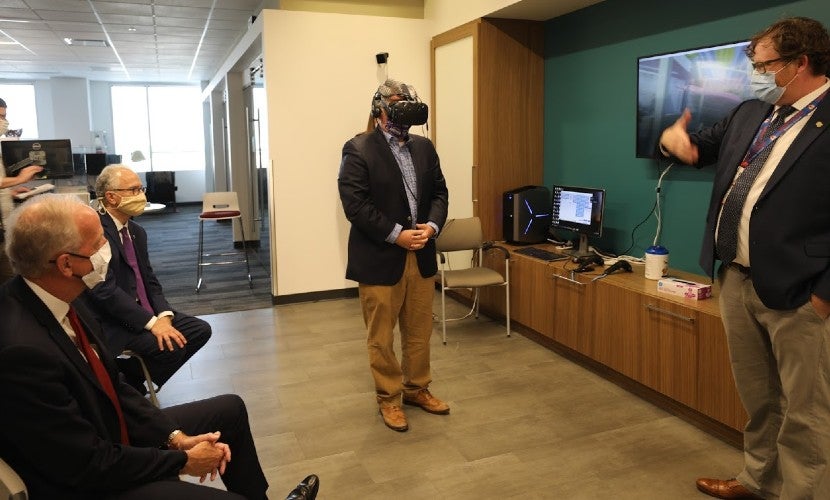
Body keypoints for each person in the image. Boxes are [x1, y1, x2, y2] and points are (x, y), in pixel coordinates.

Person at [0, 193, 319, 499]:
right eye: (98, 242)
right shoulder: (22, 350)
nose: (107, 248)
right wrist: (183, 461)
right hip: (90, 481)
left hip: (109, 434)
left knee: (229, 410)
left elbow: (114, 385)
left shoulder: (64, 296)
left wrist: (175, 438)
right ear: (66, 264)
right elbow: (87, 464)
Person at [658, 17, 830, 500]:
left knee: (807, 413)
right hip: (736, 279)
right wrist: (678, 145)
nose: (754, 73)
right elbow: (701, 147)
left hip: (800, 291)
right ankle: (758, 481)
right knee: (759, 400)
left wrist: (823, 296)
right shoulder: (752, 113)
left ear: (800, 63)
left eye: (763, 65)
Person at [338, 79, 450, 432]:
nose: (404, 112)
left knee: (419, 331)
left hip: (422, 253)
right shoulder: (358, 148)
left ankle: (417, 388)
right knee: (381, 337)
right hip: (380, 257)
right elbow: (356, 205)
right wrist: (396, 234)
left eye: (409, 104)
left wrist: (431, 226)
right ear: (380, 109)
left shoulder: (425, 147)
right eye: (398, 104)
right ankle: (389, 399)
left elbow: (440, 193)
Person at [77, 164, 211, 393]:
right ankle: (129, 386)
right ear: (111, 197)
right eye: (133, 190)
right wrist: (152, 324)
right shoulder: (95, 232)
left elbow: (148, 279)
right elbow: (103, 291)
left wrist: (164, 316)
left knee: (199, 330)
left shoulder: (137, 231)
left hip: (144, 310)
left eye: (141, 188)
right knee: (171, 348)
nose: (141, 195)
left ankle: (129, 381)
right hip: (111, 319)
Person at [0, 96, 44, 282]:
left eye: (5, 116)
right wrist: (19, 178)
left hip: (4, 226)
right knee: (10, 281)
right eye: (0, 117)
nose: (4, 122)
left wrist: (8, 192)